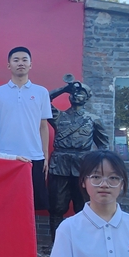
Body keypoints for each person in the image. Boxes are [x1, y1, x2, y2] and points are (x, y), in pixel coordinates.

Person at [0, 46, 52, 210]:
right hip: (5, 156)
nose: (20, 63)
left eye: (24, 60)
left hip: (33, 156)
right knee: (5, 202)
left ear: (31, 64)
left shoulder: (41, 92)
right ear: (9, 65)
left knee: (32, 204)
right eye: (16, 60)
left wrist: (45, 156)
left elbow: (43, 126)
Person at [47, 76, 110, 240]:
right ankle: (57, 244)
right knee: (56, 207)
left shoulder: (93, 120)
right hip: (59, 165)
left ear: (87, 98)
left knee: (83, 207)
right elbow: (44, 99)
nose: (76, 95)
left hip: (83, 166)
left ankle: (83, 243)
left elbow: (104, 146)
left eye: (81, 92)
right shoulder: (59, 116)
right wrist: (64, 89)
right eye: (74, 92)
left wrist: (99, 169)